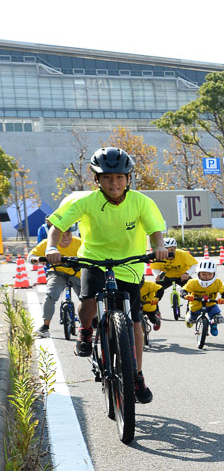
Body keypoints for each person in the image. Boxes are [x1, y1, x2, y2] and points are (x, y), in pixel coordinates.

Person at [43, 146, 167, 404]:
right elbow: (58, 226)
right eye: (108, 177)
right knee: (88, 300)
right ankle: (86, 331)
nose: (115, 182)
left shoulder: (142, 202)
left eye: (120, 177)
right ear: (97, 179)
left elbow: (156, 231)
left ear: (128, 178)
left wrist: (159, 247)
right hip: (94, 261)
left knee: (134, 323)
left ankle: (136, 376)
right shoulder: (85, 202)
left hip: (130, 265)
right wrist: (52, 247)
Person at [31, 227, 83, 335]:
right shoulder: (49, 244)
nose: (65, 238)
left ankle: (92, 322)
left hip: (77, 273)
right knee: (50, 295)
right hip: (57, 272)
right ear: (55, 236)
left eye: (68, 234)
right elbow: (31, 256)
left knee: (88, 298)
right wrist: (36, 259)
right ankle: (45, 327)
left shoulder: (80, 243)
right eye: (61, 235)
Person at [182, 258, 224, 337]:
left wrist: (223, 299)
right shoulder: (193, 282)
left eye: (209, 274)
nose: (206, 277)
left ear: (214, 274)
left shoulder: (217, 282)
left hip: (211, 304)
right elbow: (184, 290)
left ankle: (213, 324)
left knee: (218, 317)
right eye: (203, 274)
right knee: (191, 321)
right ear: (198, 274)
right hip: (196, 305)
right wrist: (186, 295)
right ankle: (189, 316)